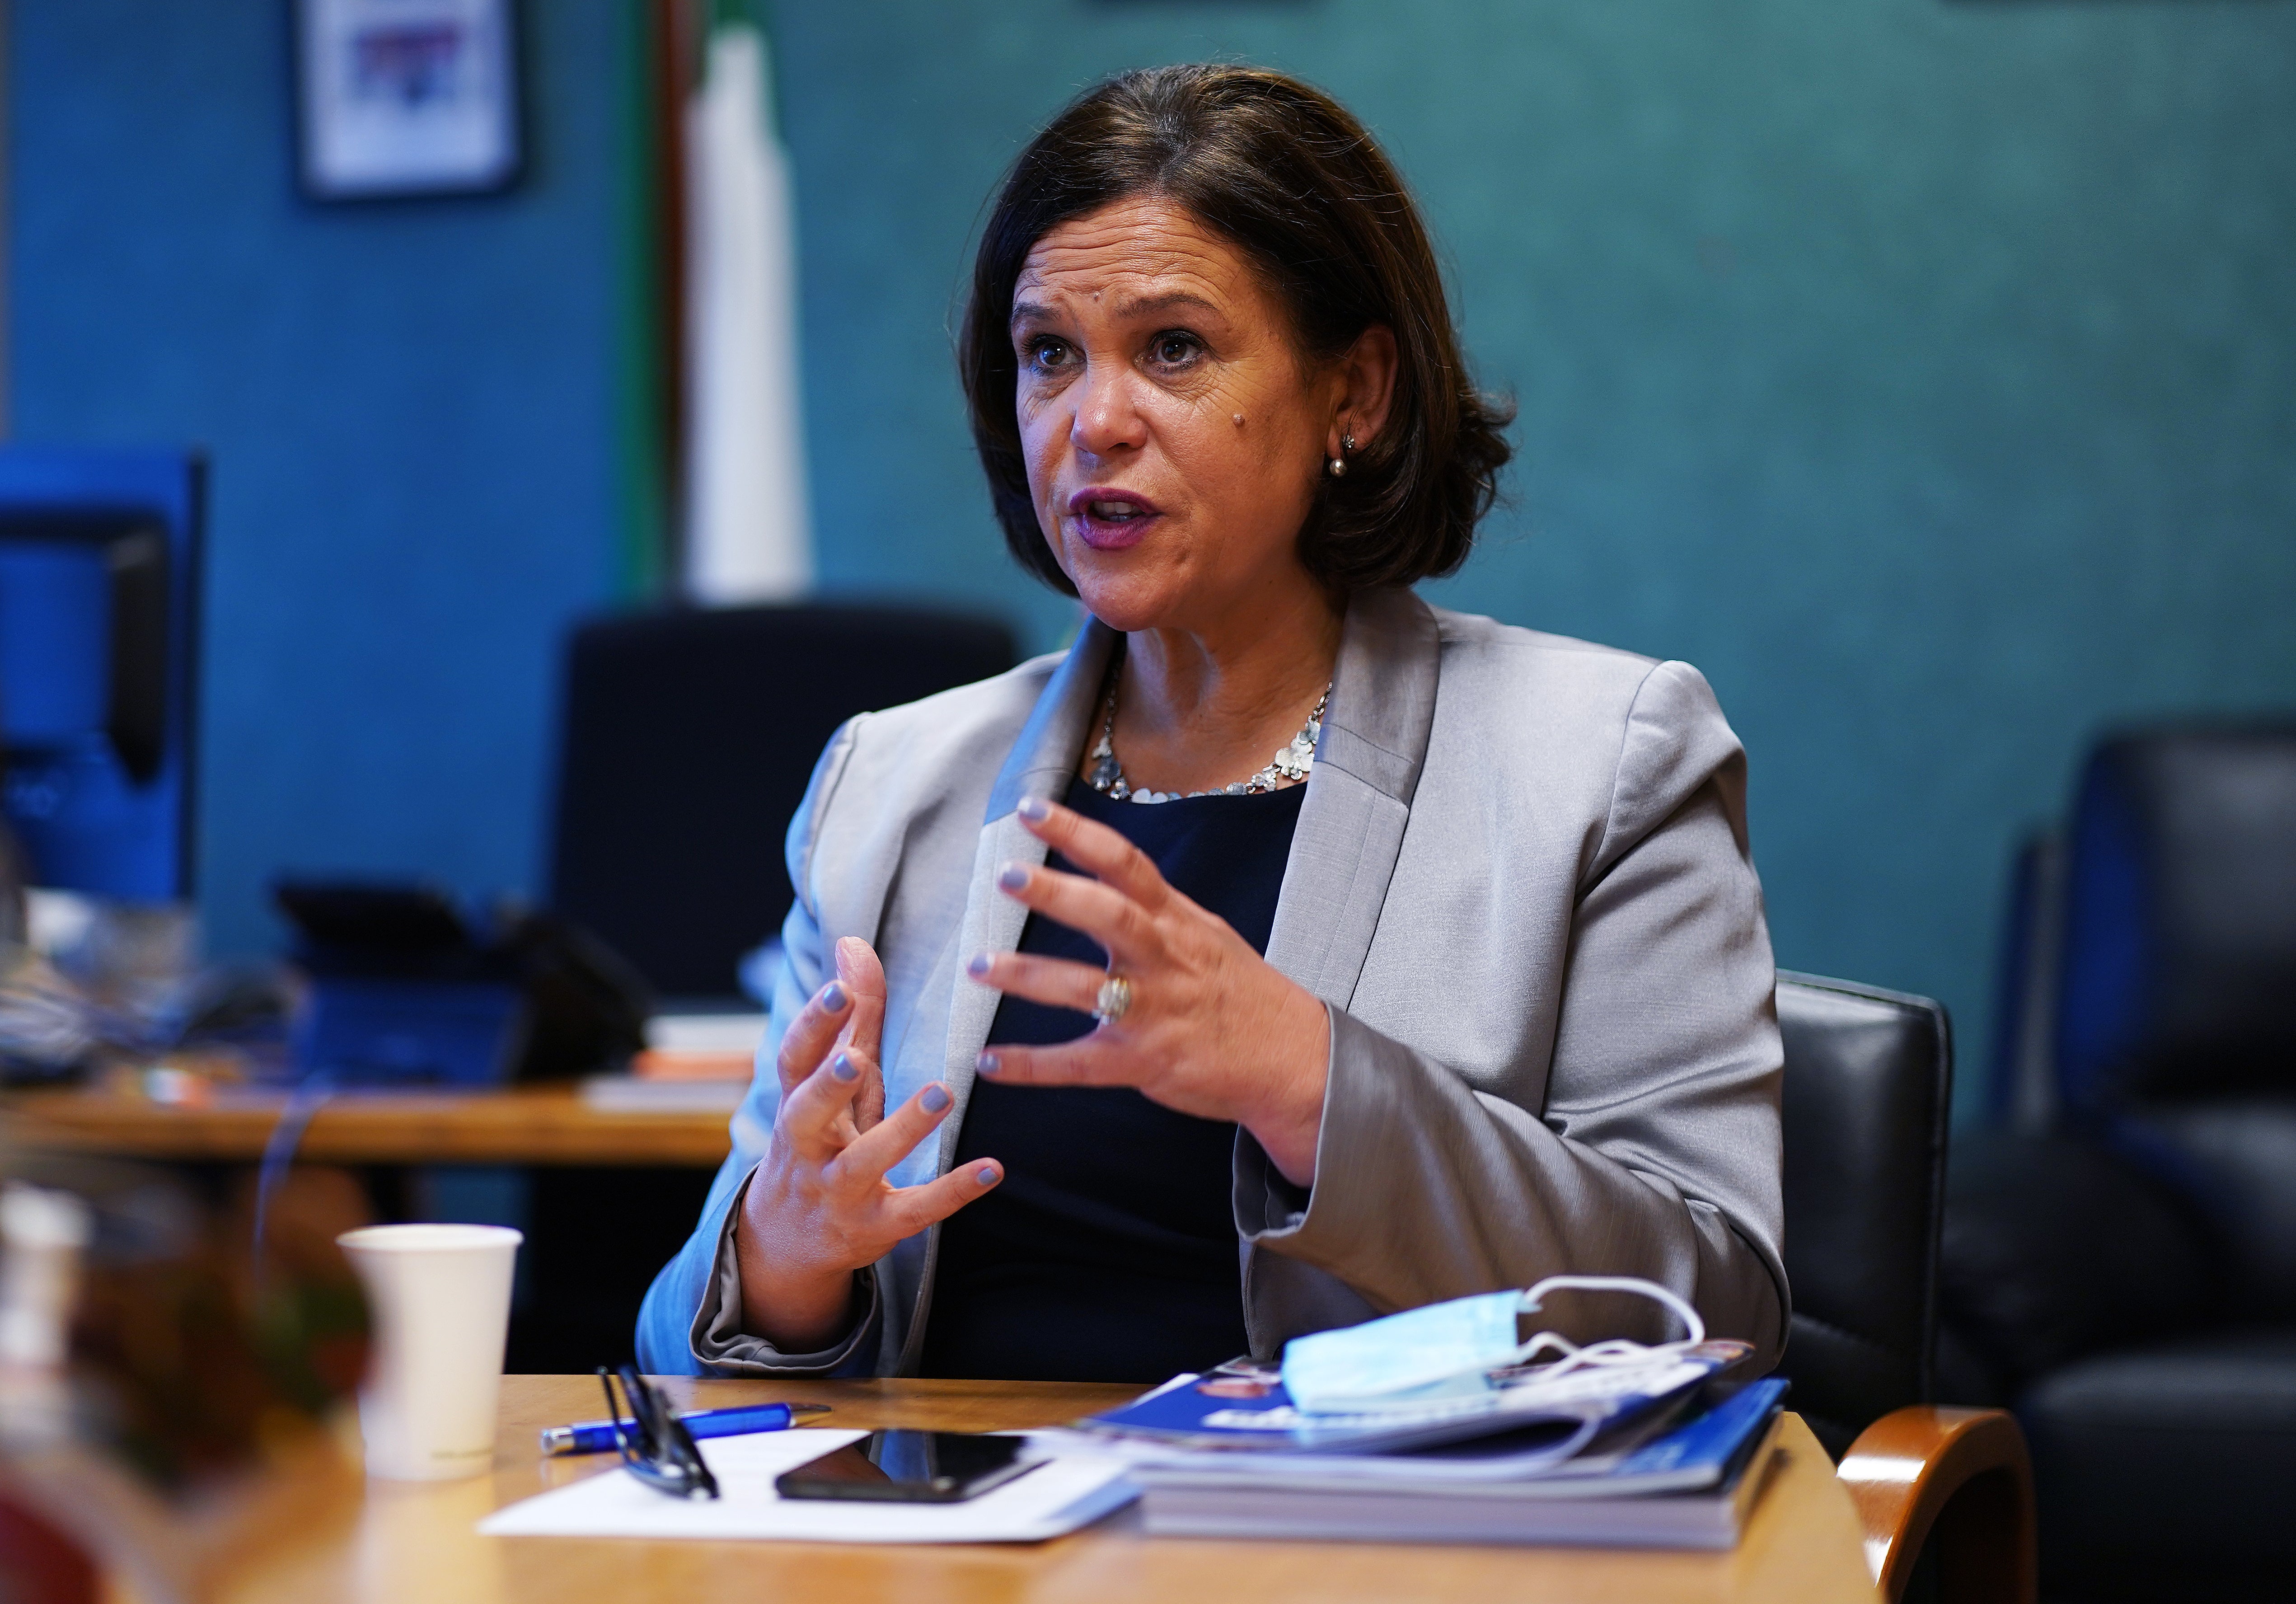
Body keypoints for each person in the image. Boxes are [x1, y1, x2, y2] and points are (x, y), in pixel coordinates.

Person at [638, 64, 1786, 1383]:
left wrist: (1308, 1081)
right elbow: (684, 1346)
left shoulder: (1604, 759)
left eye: (1173, 348)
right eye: (1047, 355)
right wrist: (786, 1257)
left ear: (1352, 393)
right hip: (962, 1558)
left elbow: (1713, 1301)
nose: (1094, 422)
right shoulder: (890, 785)